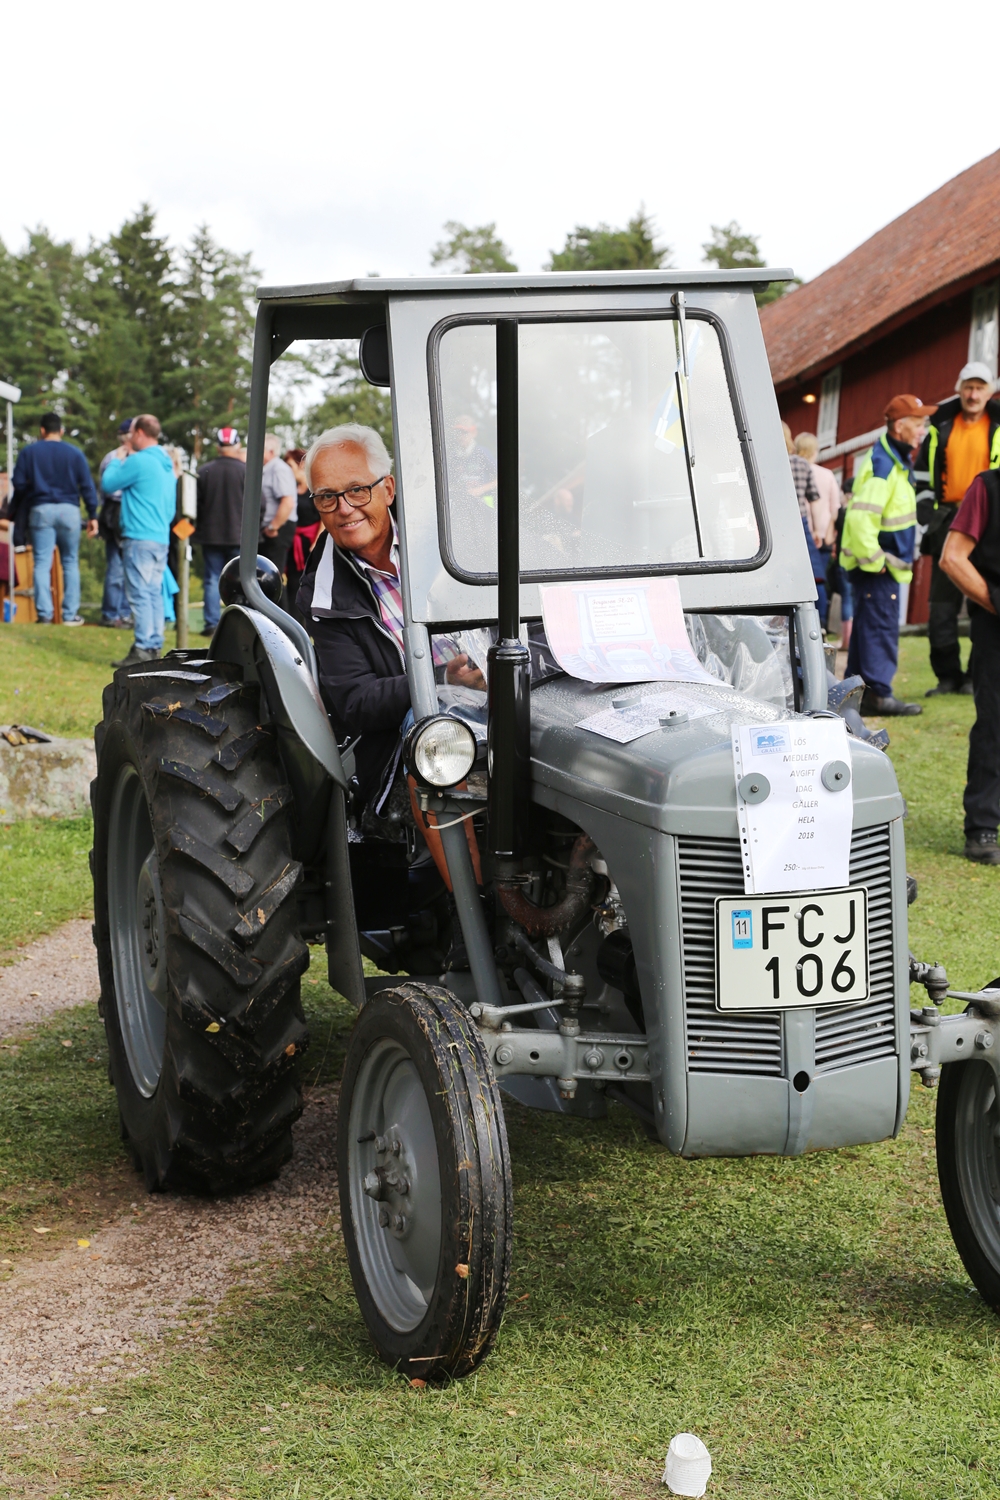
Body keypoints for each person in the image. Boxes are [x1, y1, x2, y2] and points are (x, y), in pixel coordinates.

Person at [295, 423, 483, 816]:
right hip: (405, 741)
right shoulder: (323, 595)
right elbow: (356, 700)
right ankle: (465, 860)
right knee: (430, 730)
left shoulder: (454, 533)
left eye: (356, 490)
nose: (344, 508)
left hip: (509, 691)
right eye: (327, 497)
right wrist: (442, 679)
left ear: (388, 489)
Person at [842, 395, 935, 715]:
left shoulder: (892, 460)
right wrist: (876, 560)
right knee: (879, 628)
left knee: (867, 629)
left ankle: (855, 698)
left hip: (879, 566)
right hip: (879, 567)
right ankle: (878, 695)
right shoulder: (884, 464)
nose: (923, 430)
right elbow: (860, 518)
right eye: (918, 423)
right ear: (899, 425)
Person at [915, 361, 1000, 695]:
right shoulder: (940, 427)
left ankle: (976, 674)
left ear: (990, 392)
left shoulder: (998, 426)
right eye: (968, 387)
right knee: (942, 604)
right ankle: (948, 677)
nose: (973, 394)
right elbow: (921, 475)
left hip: (991, 520)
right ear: (959, 390)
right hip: (948, 519)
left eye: (980, 388)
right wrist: (928, 513)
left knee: (988, 595)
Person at [940, 470, 1000, 862]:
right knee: (996, 727)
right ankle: (982, 828)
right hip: (995, 628)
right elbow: (952, 557)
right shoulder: (989, 487)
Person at [101, 414, 177, 666]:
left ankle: (143, 647)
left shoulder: (139, 461)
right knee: (153, 593)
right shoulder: (166, 463)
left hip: (139, 536)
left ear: (140, 433)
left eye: (131, 432)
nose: (129, 437)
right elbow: (170, 508)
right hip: (160, 537)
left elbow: (108, 484)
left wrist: (117, 459)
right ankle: (154, 644)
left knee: (140, 594)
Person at [10, 412, 98, 625]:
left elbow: (18, 484)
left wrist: (32, 493)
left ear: (42, 431)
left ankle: (44, 614)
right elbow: (87, 486)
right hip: (70, 511)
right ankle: (69, 615)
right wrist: (93, 514)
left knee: (42, 562)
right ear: (62, 431)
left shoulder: (29, 452)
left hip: (41, 509)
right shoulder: (75, 453)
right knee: (70, 561)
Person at [195, 427, 245, 635]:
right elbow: (260, 505)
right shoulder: (246, 471)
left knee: (211, 579)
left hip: (211, 535)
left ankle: (211, 623)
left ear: (217, 447)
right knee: (241, 580)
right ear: (237, 445)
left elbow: (196, 505)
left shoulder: (204, 471)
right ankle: (239, 624)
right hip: (240, 535)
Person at [782, 423, 827, 626]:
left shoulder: (768, 461)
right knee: (813, 575)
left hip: (776, 525)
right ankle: (818, 621)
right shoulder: (802, 464)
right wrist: (817, 530)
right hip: (800, 522)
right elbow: (814, 499)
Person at [97, 419, 134, 628]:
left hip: (113, 512)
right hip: (119, 513)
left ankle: (114, 613)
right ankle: (118, 613)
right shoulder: (118, 458)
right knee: (120, 567)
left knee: (118, 566)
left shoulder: (110, 457)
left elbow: (102, 491)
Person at [259, 433, 298, 598]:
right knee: (265, 578)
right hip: (271, 528)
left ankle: (279, 614)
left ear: (270, 451)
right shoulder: (267, 469)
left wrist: (273, 527)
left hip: (278, 529)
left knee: (272, 577)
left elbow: (287, 502)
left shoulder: (278, 469)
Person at [284, 447, 320, 606]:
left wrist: (317, 542)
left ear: (301, 465)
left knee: (311, 582)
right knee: (293, 583)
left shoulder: (315, 488)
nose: (287, 470)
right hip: (293, 543)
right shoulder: (290, 489)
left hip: (311, 543)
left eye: (290, 466)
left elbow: (323, 518)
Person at [448, 415, 497, 506]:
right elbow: (450, 482)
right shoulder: (453, 456)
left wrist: (481, 489)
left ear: (474, 433)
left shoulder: (482, 453)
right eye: (457, 432)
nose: (460, 436)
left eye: (464, 432)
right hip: (462, 504)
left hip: (484, 502)